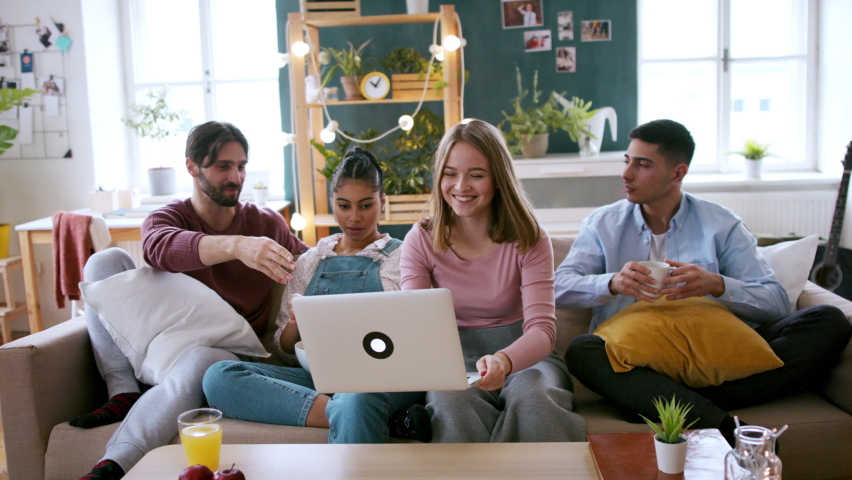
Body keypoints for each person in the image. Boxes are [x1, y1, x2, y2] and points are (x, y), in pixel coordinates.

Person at [554, 119, 852, 446]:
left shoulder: (720, 223)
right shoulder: (603, 223)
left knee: (829, 320)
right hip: (640, 357)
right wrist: (612, 282)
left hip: (717, 353)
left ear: (678, 173)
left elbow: (775, 302)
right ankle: (725, 426)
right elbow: (558, 287)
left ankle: (664, 401)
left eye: (642, 164)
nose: (626, 174)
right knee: (584, 351)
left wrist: (717, 285)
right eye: (627, 161)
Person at [75, 121, 308, 480]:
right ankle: (121, 391)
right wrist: (236, 245)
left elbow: (313, 263)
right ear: (192, 167)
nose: (235, 177)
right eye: (223, 166)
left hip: (218, 350)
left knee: (199, 361)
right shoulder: (168, 217)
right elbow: (158, 250)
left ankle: (112, 465)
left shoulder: (265, 222)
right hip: (160, 339)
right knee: (102, 262)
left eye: (241, 166)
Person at [203, 147, 431, 444]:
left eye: (365, 205)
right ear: (332, 202)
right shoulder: (310, 261)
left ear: (382, 202)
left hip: (385, 380)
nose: (354, 217)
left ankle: (356, 409)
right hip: (322, 378)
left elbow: (419, 337)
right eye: (344, 205)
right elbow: (285, 350)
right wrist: (296, 323)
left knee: (357, 399)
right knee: (219, 377)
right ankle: (357, 415)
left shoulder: (403, 257)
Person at [400, 119, 586, 443]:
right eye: (450, 173)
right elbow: (413, 323)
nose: (461, 186)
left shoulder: (530, 238)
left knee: (534, 399)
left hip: (528, 357)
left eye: (477, 174)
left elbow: (543, 330)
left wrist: (504, 360)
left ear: (498, 179)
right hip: (454, 362)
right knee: (451, 403)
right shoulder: (421, 238)